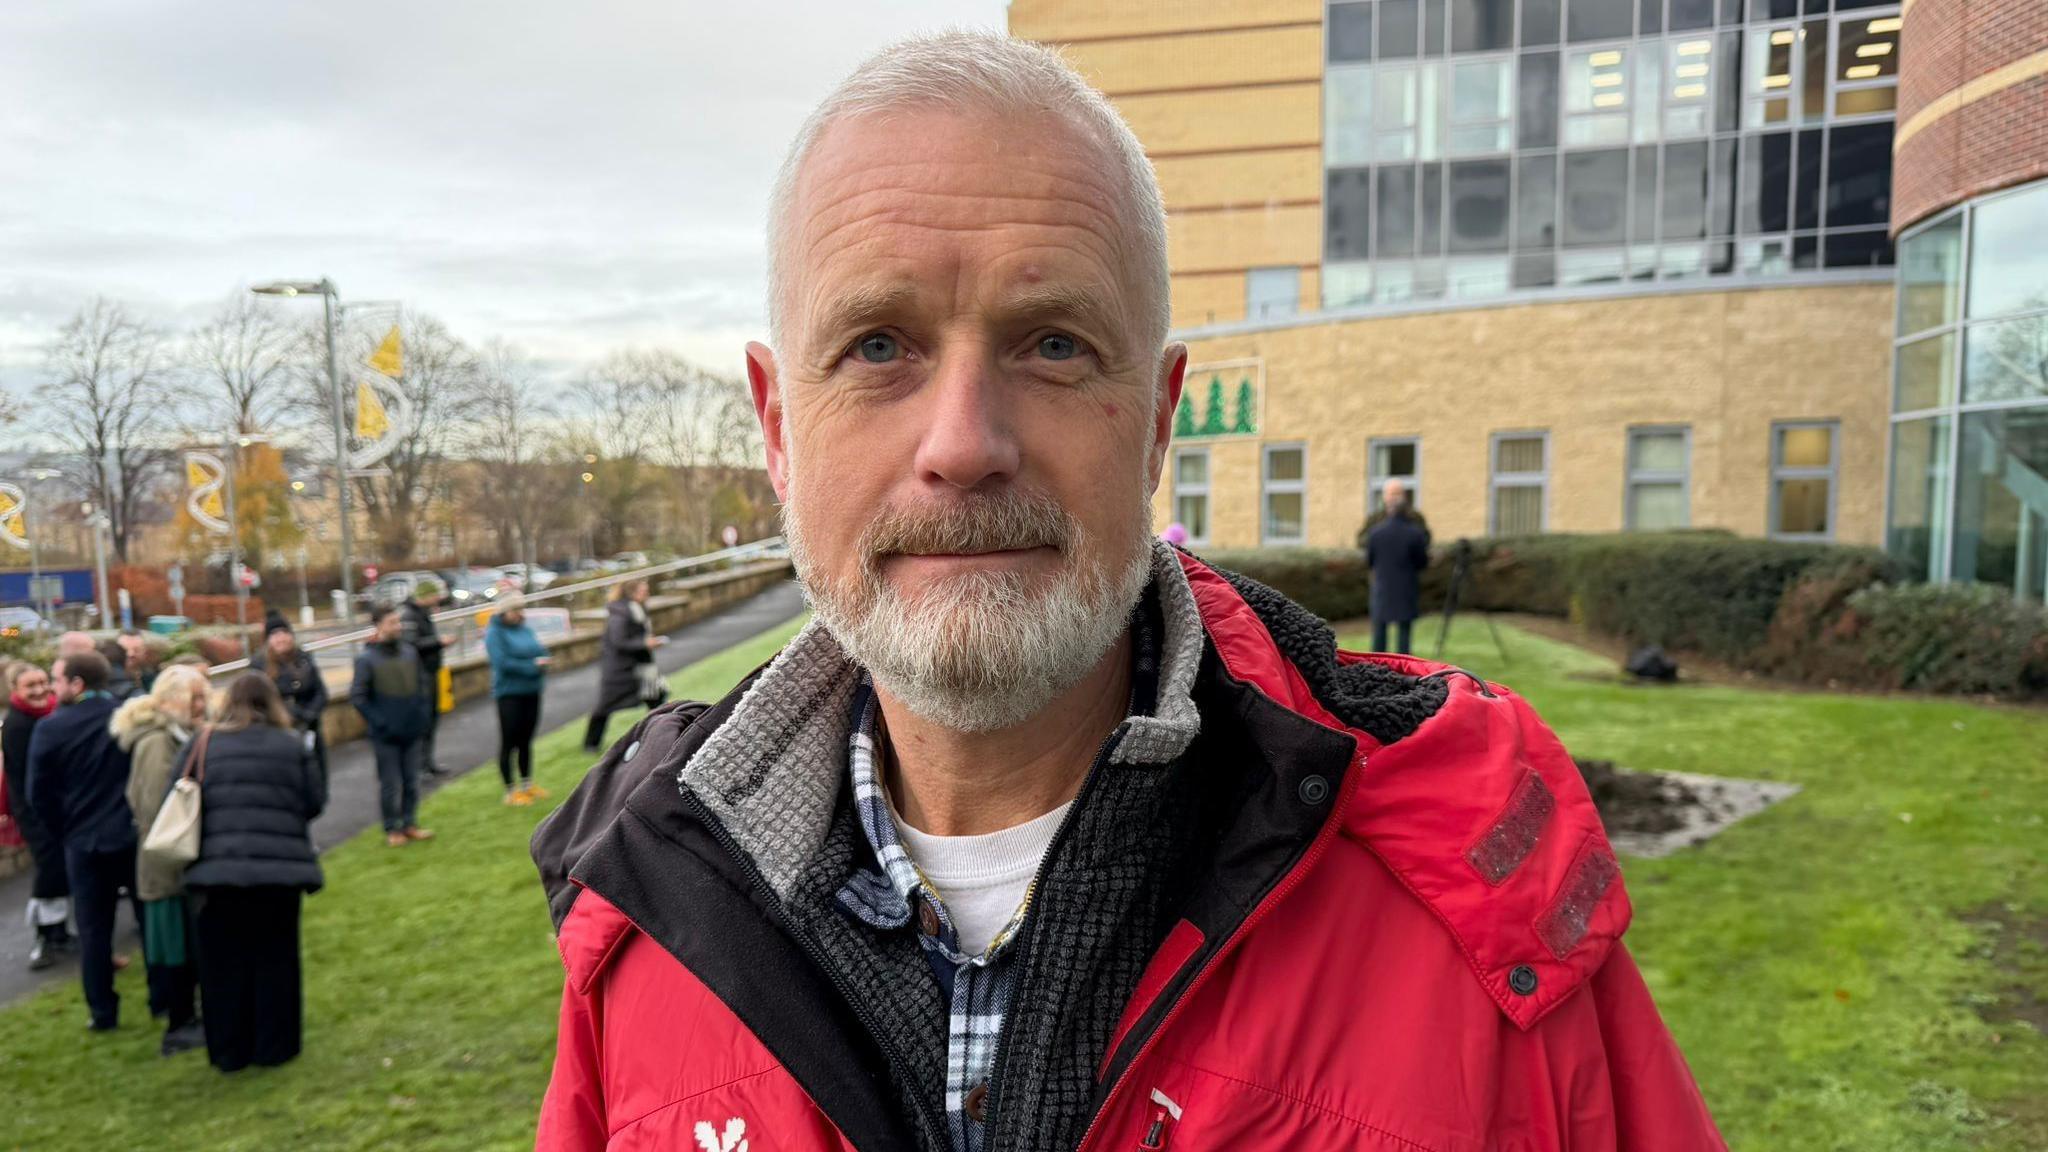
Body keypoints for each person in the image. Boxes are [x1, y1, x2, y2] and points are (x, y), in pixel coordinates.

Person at [531, 32, 1723, 1152]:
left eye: (1051, 343)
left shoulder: (1474, 892)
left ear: (1157, 422)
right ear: (779, 427)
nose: (962, 442)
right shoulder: (643, 926)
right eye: (878, 347)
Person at [183, 672, 325, 1072]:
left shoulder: (204, 743)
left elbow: (177, 793)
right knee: (275, 959)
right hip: (278, 870)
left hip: (215, 870)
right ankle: (274, 1046)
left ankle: (229, 1050)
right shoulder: (290, 744)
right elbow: (314, 800)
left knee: (222, 966)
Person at [25, 651, 137, 1031]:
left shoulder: (51, 729)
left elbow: (37, 794)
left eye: (57, 681)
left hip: (82, 842)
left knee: (94, 932)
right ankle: (167, 1001)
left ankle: (103, 1013)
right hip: (129, 834)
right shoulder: (125, 716)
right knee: (150, 920)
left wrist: (64, 832)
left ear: (77, 684)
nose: (53, 689)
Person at [113, 664, 209, 1055]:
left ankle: (185, 1016)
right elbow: (156, 809)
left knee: (182, 945)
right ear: (174, 701)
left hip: (173, 859)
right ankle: (178, 1024)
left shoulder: (174, 735)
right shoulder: (157, 743)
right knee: (174, 948)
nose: (203, 705)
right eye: (195, 698)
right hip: (166, 863)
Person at [2, 661, 71, 969]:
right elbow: (22, 779)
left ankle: (59, 933)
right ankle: (44, 936)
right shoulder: (17, 726)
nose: (40, 690)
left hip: (57, 807)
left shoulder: (54, 714)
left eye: (43, 682)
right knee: (49, 871)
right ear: (15, 690)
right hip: (34, 812)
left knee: (59, 870)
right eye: (31, 685)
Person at [350, 604, 433, 849]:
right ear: (378, 626)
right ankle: (392, 828)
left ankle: (410, 823)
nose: (397, 626)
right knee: (390, 784)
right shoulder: (367, 659)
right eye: (391, 622)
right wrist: (380, 722)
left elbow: (421, 686)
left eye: (398, 622)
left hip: (412, 729)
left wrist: (422, 714)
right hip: (385, 734)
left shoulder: (409, 653)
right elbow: (358, 696)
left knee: (411, 781)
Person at [580, 578, 662, 754]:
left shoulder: (637, 609)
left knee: (656, 695)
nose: (646, 592)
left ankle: (659, 733)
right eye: (643, 589)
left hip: (640, 667)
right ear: (632, 592)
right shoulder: (620, 613)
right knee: (604, 707)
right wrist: (644, 643)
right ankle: (590, 744)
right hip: (620, 670)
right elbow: (619, 641)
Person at [484, 592, 551, 805]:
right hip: (509, 694)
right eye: (516, 610)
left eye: (522, 609)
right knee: (509, 741)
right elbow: (502, 663)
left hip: (532, 691)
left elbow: (540, 649)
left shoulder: (525, 629)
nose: (520, 614)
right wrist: (532, 666)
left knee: (526, 740)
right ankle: (510, 790)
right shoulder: (494, 633)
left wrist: (543, 660)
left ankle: (527, 784)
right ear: (504, 612)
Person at [1364, 478, 1433, 656]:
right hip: (1398, 584)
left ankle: (1380, 664)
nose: (1394, 497)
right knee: (1386, 631)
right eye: (1391, 493)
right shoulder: (1374, 521)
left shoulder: (1414, 520)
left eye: (1397, 493)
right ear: (1384, 496)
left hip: (1388, 584)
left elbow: (1369, 557)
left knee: (1396, 631)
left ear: (1404, 496)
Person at [262, 612, 329, 782]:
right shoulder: (260, 666)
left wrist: (310, 713)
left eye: (284, 633)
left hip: (310, 730)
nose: (281, 638)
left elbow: (320, 691)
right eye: (274, 634)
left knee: (316, 777)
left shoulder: (304, 659)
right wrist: (294, 713)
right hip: (279, 734)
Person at [399, 579, 448, 776]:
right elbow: (411, 645)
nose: (437, 599)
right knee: (423, 721)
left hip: (430, 673)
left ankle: (427, 762)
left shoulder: (423, 614)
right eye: (434, 595)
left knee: (432, 719)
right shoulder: (409, 615)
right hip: (420, 677)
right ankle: (419, 765)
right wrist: (438, 642)